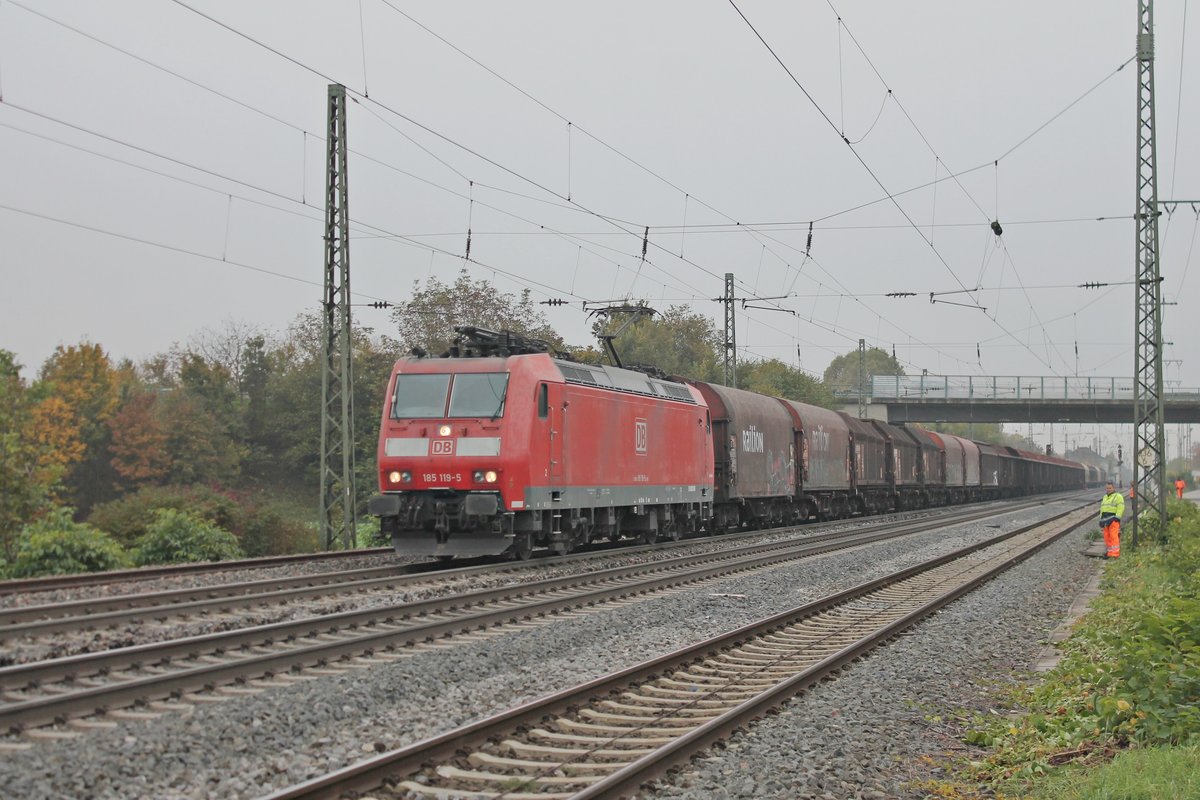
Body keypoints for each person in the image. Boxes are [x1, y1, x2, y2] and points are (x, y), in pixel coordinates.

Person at [1099, 481, 1124, 559]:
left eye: (1110, 488)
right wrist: (1101, 519)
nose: (1108, 489)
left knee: (1113, 536)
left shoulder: (1118, 496)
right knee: (1107, 537)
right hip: (1105, 520)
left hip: (1113, 519)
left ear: (1114, 488)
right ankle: (1110, 553)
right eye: (1107, 488)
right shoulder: (1105, 497)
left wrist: (1118, 517)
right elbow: (1102, 509)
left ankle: (1115, 554)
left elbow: (1121, 507)